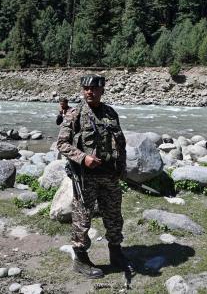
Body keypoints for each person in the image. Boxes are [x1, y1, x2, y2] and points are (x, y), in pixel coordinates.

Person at [57, 74, 133, 278]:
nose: (89, 92)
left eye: (94, 88)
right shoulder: (75, 114)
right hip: (85, 177)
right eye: (86, 88)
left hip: (110, 176)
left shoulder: (110, 113)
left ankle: (116, 253)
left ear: (102, 90)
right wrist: (83, 158)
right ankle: (80, 260)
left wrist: (121, 169)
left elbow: (121, 142)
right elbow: (62, 144)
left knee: (114, 215)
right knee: (82, 218)